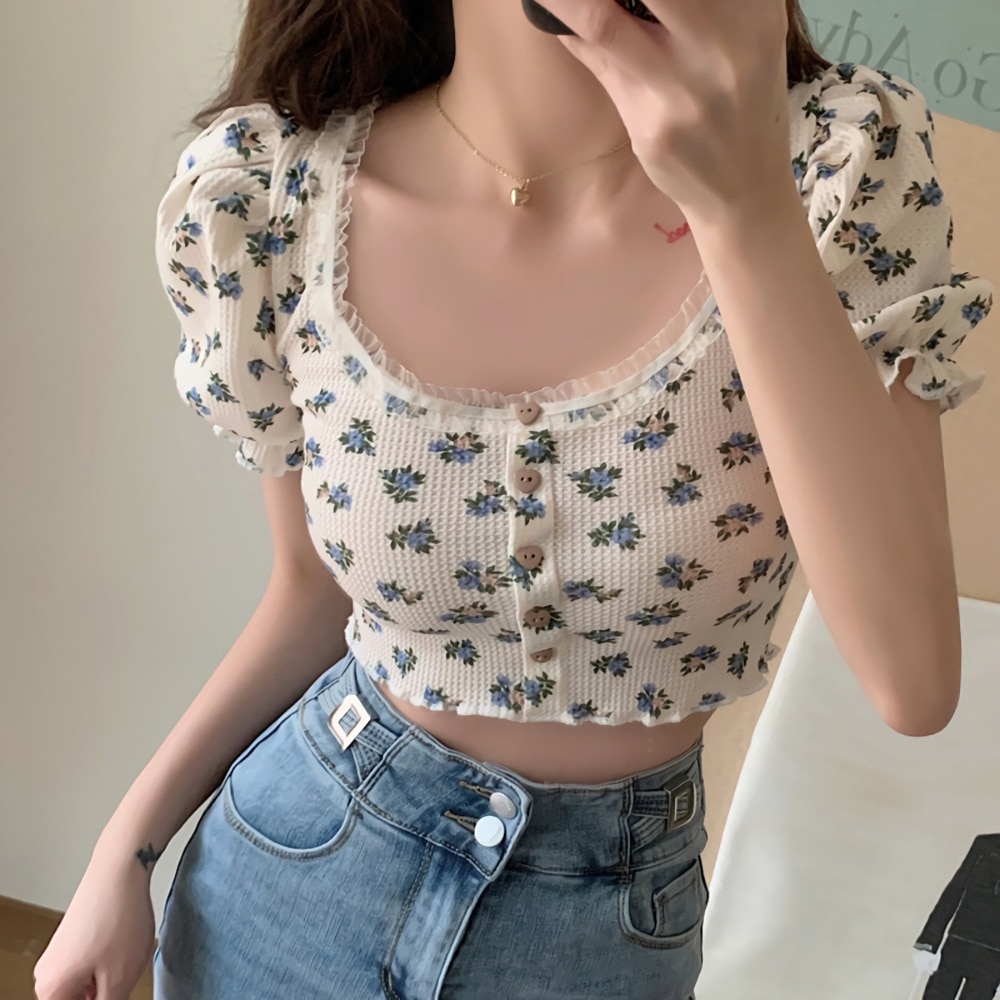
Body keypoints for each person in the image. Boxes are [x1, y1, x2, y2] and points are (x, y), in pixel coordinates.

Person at [33, 0, 994, 997]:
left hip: (597, 940)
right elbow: (309, 592)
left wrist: (743, 203)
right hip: (291, 887)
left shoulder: (838, 173)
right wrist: (126, 850)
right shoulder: (275, 197)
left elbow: (911, 682)